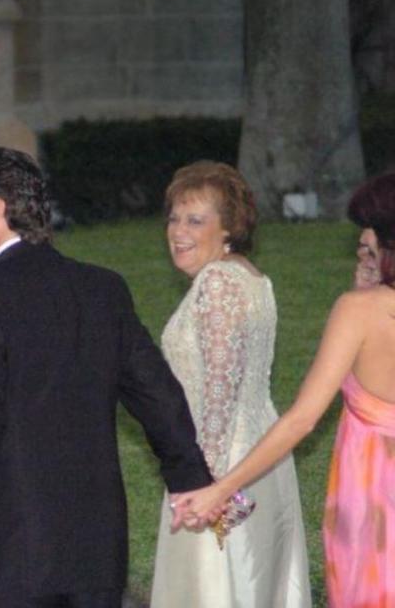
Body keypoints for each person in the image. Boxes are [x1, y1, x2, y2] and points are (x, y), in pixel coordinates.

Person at [0, 145, 216, 607]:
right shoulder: (103, 289)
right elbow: (156, 393)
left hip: (12, 545)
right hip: (96, 543)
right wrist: (189, 477)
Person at [174, 172, 395, 607]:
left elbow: (302, 419)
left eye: (370, 243)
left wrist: (221, 488)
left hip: (373, 502)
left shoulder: (359, 312)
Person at [150, 162, 310, 607]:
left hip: (221, 461)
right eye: (175, 217)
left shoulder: (218, 283)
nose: (178, 231)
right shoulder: (252, 278)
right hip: (262, 455)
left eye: (195, 220)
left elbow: (219, 394)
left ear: (228, 229)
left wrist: (208, 486)